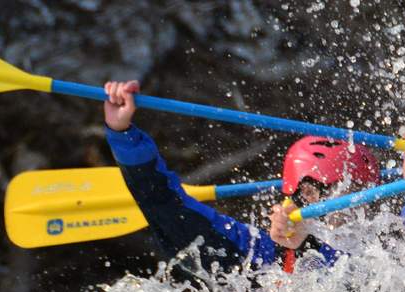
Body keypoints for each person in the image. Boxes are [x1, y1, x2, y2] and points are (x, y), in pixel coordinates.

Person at [102, 80, 380, 277]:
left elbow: (374, 285)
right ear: (300, 195)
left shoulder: (381, 258)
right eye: (342, 190)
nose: (353, 205)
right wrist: (123, 134)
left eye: (360, 191)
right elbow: (165, 206)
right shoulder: (248, 249)